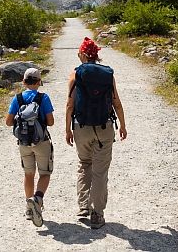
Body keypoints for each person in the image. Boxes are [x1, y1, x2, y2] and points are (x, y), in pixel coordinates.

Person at [65, 37, 127, 229]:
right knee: (100, 171)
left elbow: (70, 105)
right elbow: (116, 102)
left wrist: (68, 129)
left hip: (81, 127)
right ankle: (97, 214)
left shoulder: (75, 74)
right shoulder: (108, 74)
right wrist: (123, 125)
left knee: (84, 164)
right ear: (96, 55)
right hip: (104, 127)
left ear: (82, 54)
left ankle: (83, 207)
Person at [5, 67, 55, 227]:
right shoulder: (43, 98)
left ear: (24, 81)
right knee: (45, 173)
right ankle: (37, 199)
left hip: (24, 143)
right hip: (41, 142)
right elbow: (51, 121)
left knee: (28, 174)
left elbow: (8, 122)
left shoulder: (17, 98)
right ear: (39, 81)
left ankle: (28, 209)